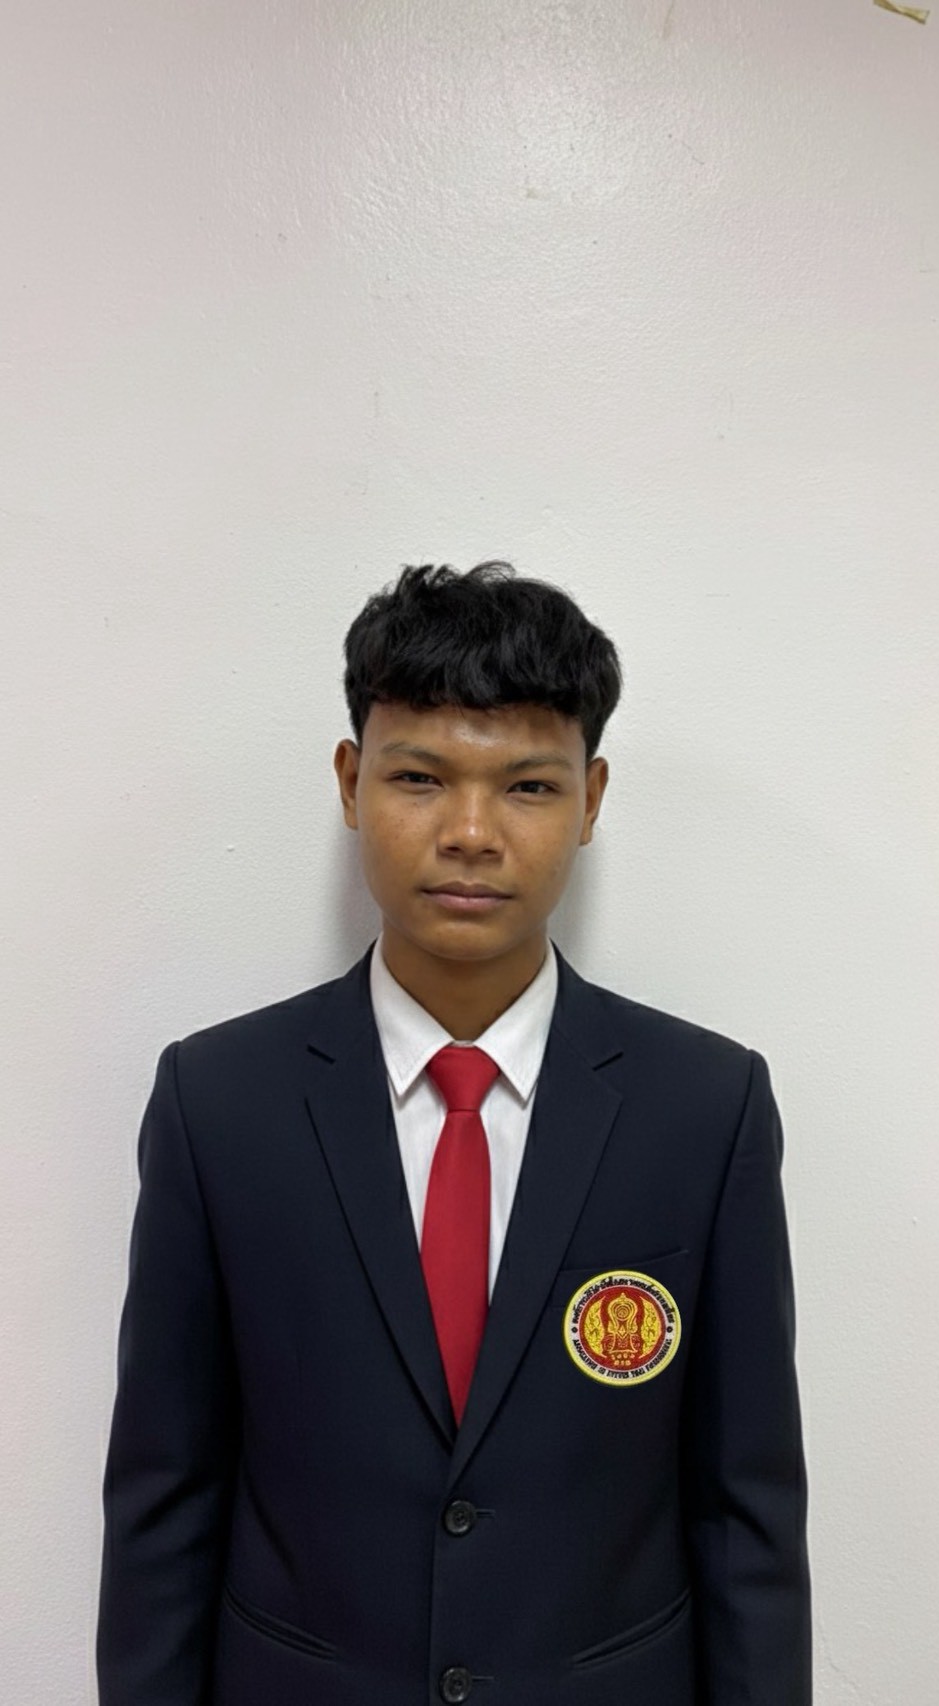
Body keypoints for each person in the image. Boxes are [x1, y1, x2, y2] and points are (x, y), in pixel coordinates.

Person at [97, 561, 811, 1706]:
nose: (471, 832)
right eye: (421, 776)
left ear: (591, 798)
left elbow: (747, 1510)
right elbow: (163, 1496)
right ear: (351, 780)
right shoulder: (218, 1101)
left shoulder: (704, 1104)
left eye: (527, 785)